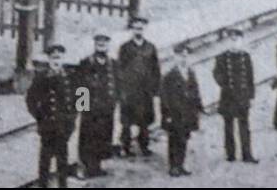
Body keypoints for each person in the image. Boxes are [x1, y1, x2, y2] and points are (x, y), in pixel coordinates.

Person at [25, 44, 76, 187]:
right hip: (47, 125)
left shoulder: (70, 77)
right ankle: (43, 184)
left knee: (62, 159)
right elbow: (30, 99)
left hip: (64, 125)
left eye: (58, 58)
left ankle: (62, 184)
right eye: (53, 58)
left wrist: (74, 116)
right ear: (48, 59)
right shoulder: (41, 77)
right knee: (45, 159)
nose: (56, 61)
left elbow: (83, 93)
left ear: (63, 58)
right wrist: (39, 116)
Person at [74, 34, 118, 177]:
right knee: (88, 138)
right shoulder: (86, 63)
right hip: (90, 109)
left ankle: (97, 166)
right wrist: (82, 108)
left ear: (108, 45)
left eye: (104, 42)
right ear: (94, 44)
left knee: (103, 137)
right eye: (99, 42)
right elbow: (80, 86)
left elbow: (118, 84)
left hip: (106, 109)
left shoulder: (113, 64)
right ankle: (86, 167)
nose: (101, 44)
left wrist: (113, 103)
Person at [117, 17, 161, 157]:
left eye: (141, 28)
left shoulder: (150, 47)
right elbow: (120, 69)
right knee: (127, 121)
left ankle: (144, 145)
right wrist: (122, 89)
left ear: (144, 29)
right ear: (132, 29)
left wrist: (156, 88)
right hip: (130, 90)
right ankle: (126, 146)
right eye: (136, 28)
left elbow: (156, 69)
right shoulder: (125, 47)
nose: (138, 30)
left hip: (145, 90)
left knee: (145, 120)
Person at [212, 28, 258, 163]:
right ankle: (230, 154)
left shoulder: (246, 57)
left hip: (243, 96)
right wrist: (224, 84)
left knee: (244, 126)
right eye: (231, 40)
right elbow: (216, 73)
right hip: (228, 97)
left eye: (237, 40)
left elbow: (250, 77)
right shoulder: (221, 57)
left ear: (241, 41)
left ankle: (247, 154)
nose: (234, 43)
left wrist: (251, 96)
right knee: (228, 126)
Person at [160, 44, 202, 176]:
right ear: (174, 57)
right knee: (174, 139)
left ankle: (181, 164)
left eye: (185, 56)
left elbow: (196, 91)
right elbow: (164, 97)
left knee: (184, 139)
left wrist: (198, 107)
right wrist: (167, 114)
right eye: (180, 56)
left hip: (188, 113)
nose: (183, 58)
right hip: (174, 113)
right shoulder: (169, 75)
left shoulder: (190, 73)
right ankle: (173, 166)